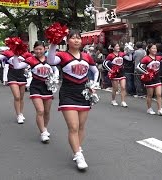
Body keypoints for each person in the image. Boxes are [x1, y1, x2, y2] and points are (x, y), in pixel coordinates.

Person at [47, 29, 99, 170]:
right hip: (68, 93)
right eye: (73, 38)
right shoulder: (62, 55)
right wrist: (53, 43)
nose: (76, 40)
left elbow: (95, 71)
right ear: (67, 41)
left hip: (84, 93)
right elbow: (50, 61)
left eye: (78, 38)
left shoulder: (87, 56)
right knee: (73, 126)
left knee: (81, 126)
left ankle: (77, 148)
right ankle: (78, 155)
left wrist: (94, 84)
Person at [12, 41, 59, 143]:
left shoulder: (49, 60)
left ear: (45, 49)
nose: (38, 51)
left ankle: (45, 128)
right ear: (34, 49)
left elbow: (56, 69)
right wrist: (15, 53)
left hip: (47, 87)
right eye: (36, 49)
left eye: (40, 49)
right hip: (36, 87)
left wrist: (54, 79)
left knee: (47, 111)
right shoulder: (30, 59)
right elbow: (17, 66)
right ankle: (42, 132)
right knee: (40, 110)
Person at [0, 49, 32, 124]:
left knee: (21, 97)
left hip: (22, 76)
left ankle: (21, 112)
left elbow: (33, 61)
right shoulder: (8, 52)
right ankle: (18, 115)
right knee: (17, 96)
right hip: (12, 76)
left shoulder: (26, 53)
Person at [137, 43, 162, 116]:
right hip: (149, 79)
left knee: (159, 94)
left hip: (157, 78)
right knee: (150, 95)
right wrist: (146, 73)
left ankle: (160, 109)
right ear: (149, 49)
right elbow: (138, 66)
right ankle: (149, 108)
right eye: (153, 48)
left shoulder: (158, 57)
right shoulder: (146, 58)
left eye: (155, 48)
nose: (155, 50)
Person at [103, 42, 130, 107]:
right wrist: (110, 70)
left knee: (123, 87)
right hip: (114, 73)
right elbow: (104, 63)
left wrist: (129, 49)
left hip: (121, 72)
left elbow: (129, 57)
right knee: (115, 88)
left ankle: (123, 101)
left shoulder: (121, 54)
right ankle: (113, 99)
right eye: (116, 46)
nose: (118, 48)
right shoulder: (110, 55)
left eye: (118, 46)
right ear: (113, 48)